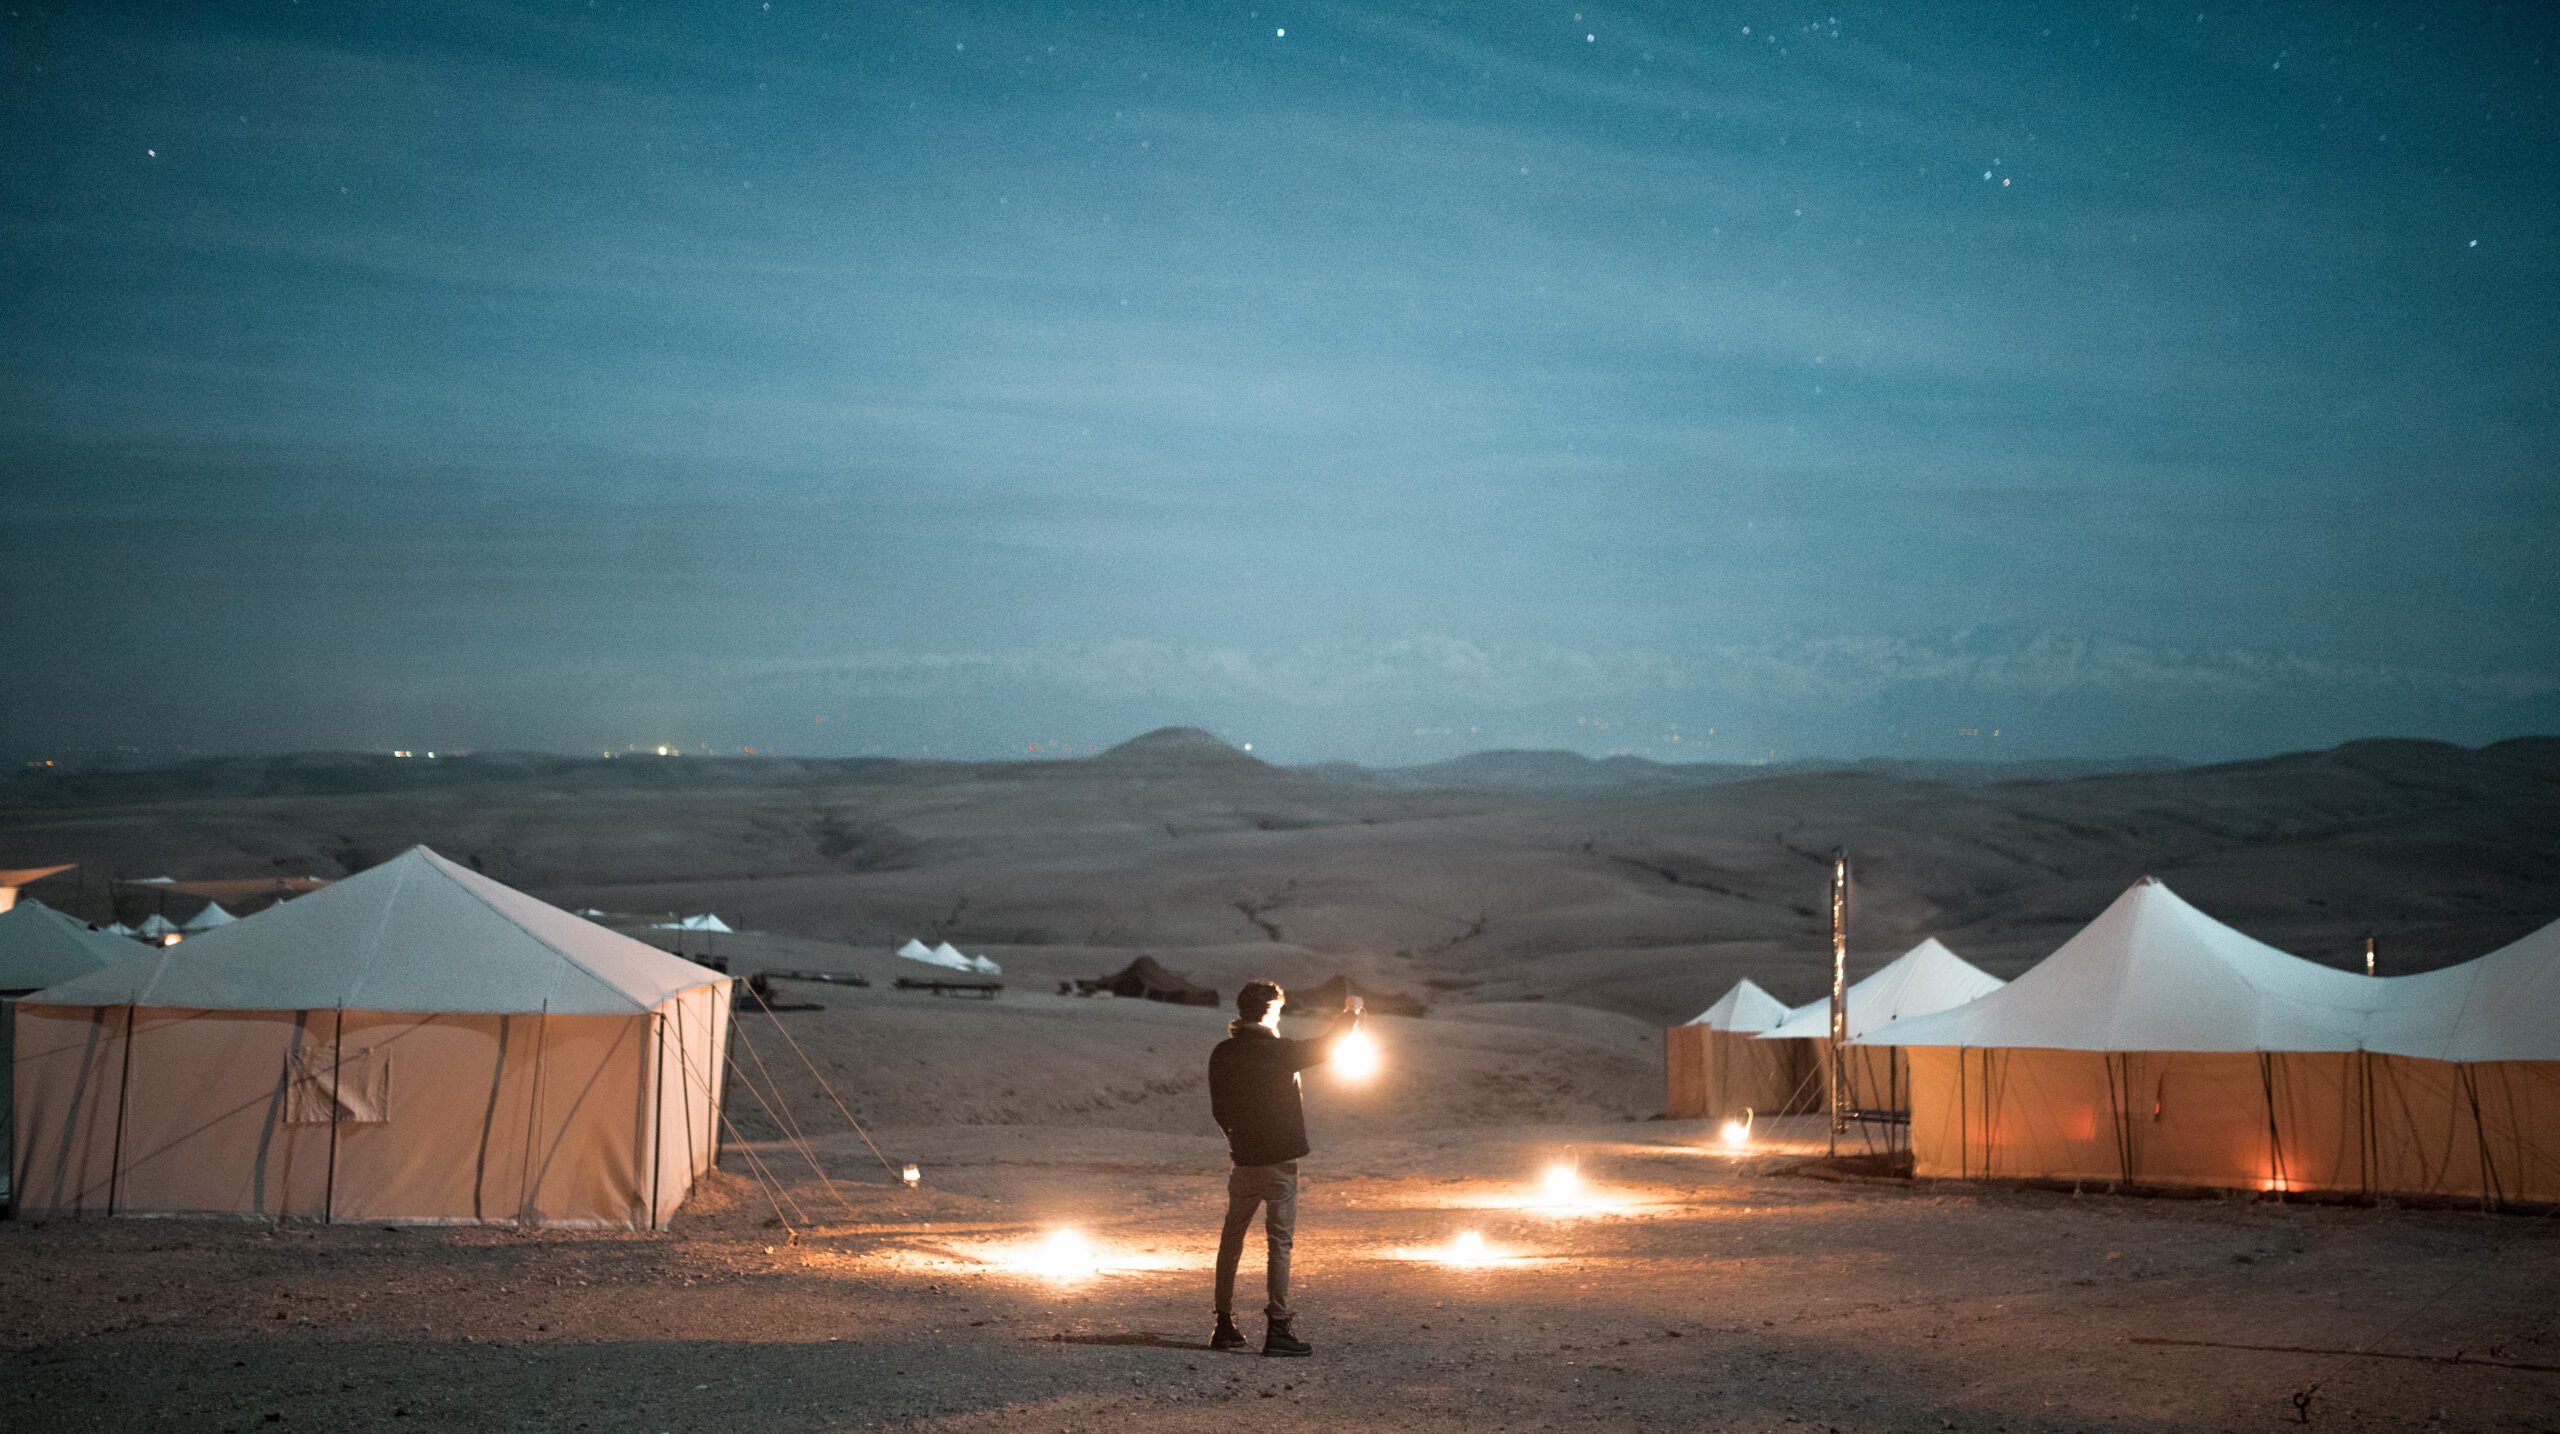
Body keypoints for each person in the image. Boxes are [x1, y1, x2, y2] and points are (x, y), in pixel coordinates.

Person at [1207, 979, 1362, 1357]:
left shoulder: (1223, 1053)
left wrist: (1238, 1141)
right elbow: (1327, 1046)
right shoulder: (1277, 1052)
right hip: (1278, 1164)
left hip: (1243, 1162)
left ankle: (1223, 1325)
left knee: (1231, 1241)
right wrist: (1352, 1014)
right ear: (1269, 1010)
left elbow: (1218, 1109)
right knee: (1279, 1245)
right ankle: (1278, 1327)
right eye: (1278, 1008)